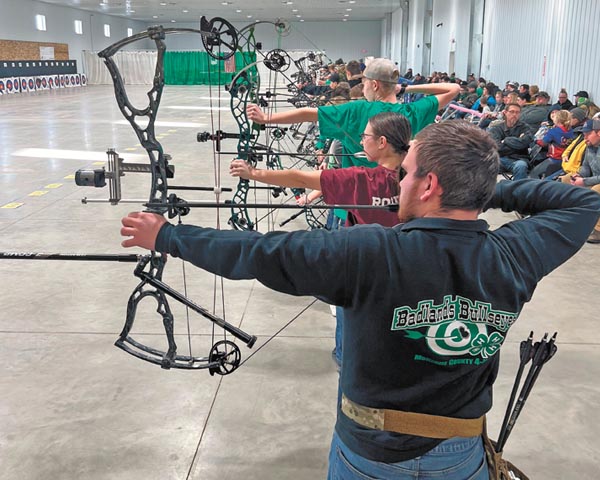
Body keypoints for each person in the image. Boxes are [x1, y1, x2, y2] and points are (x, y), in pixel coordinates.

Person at [120, 121, 600, 479]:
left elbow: (257, 252)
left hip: (374, 454)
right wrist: (482, 191)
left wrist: (169, 237)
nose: (399, 183)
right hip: (461, 455)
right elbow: (584, 203)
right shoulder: (515, 253)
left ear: (429, 185)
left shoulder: (369, 249)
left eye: (407, 174)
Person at [230, 112, 411, 228]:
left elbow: (299, 179)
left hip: (364, 263)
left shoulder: (360, 178)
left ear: (382, 142)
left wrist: (253, 173)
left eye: (365, 136)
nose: (362, 141)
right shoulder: (423, 176)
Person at [559, 117, 600, 243]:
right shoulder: (590, 147)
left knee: (596, 190)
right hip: (595, 179)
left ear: (599, 132)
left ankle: (598, 230)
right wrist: (578, 175)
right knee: (565, 179)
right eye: (584, 134)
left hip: (597, 182)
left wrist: (584, 181)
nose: (585, 137)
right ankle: (569, 218)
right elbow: (586, 167)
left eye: (588, 134)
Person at [488, 103, 534, 180]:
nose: (514, 114)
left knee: (521, 166)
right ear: (505, 113)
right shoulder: (496, 129)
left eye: (517, 112)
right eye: (512, 112)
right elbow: (497, 147)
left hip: (519, 159)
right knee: (482, 163)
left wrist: (506, 140)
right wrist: (517, 143)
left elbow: (524, 143)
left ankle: (518, 191)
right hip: (500, 159)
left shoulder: (525, 128)